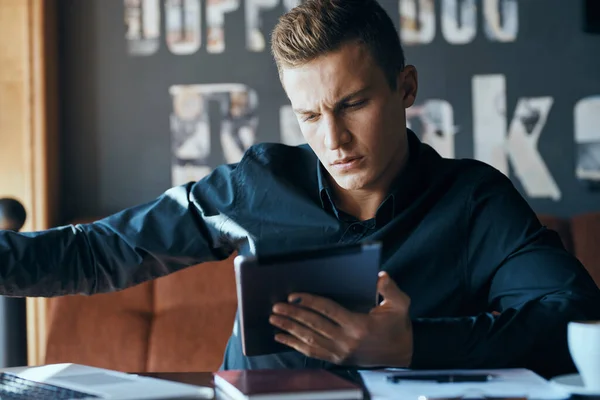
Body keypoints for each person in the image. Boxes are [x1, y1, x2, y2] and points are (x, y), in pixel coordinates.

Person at [1, 0, 599, 379]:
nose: (333, 137)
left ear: (406, 87)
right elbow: (99, 250)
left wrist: (414, 345)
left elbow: (573, 315)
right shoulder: (256, 184)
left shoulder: (474, 201)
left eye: (353, 104)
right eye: (309, 115)